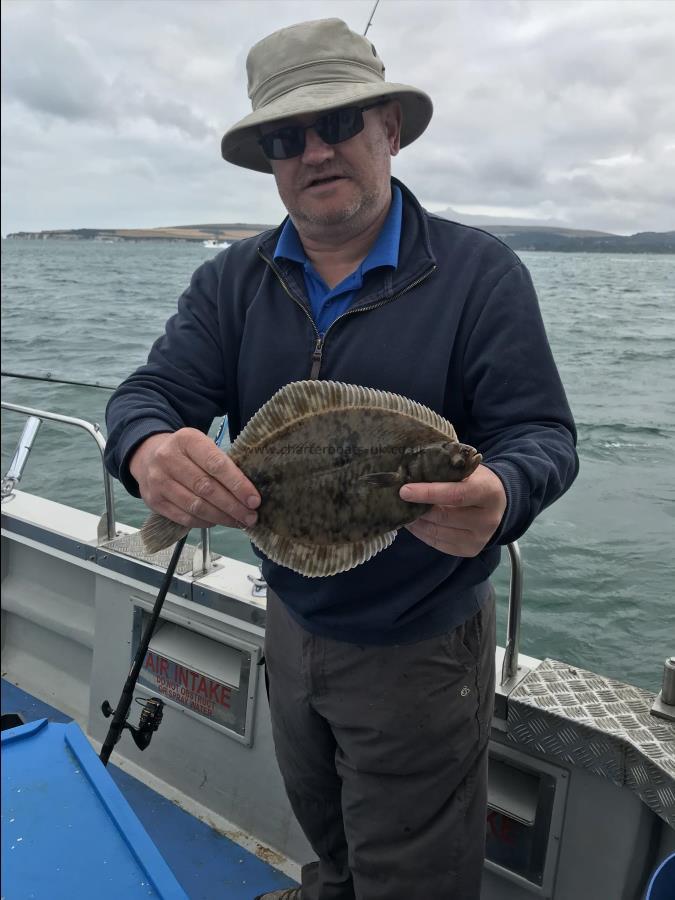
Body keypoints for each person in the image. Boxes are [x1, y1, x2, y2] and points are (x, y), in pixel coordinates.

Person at [104, 17, 578, 900]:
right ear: (269, 159)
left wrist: (501, 493)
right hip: (288, 623)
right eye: (288, 136)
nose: (315, 151)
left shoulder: (479, 276)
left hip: (420, 647)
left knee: (412, 878)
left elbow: (543, 437)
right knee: (324, 837)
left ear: (389, 129)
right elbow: (146, 397)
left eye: (339, 124)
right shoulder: (230, 283)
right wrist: (147, 451)